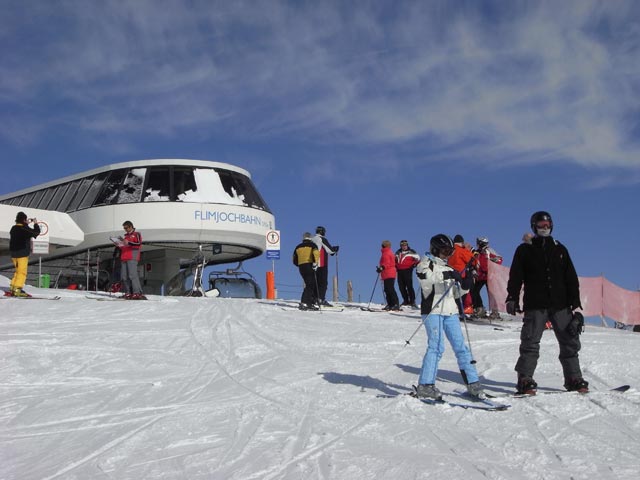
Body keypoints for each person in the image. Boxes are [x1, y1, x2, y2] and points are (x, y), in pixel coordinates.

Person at [506, 211, 588, 395]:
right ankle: (525, 378)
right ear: (534, 226)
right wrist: (512, 297)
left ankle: (573, 378)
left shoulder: (560, 249)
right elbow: (516, 276)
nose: (545, 228)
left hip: (561, 304)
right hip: (536, 303)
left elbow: (571, 277)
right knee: (530, 342)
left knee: (570, 341)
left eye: (547, 225)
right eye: (541, 225)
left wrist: (574, 302)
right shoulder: (525, 250)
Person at [414, 234, 484, 400]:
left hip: (450, 311)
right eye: (445, 251)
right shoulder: (425, 264)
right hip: (433, 311)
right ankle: (425, 385)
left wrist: (465, 287)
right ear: (435, 249)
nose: (447, 255)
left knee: (461, 347)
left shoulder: (449, 268)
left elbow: (453, 293)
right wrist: (448, 275)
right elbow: (426, 280)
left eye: (450, 252)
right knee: (436, 347)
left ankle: (473, 384)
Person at [8, 212, 40, 297]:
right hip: (21, 253)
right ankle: (18, 289)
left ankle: (12, 288)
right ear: (23, 220)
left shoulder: (13, 228)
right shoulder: (24, 228)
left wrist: (26, 224)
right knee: (22, 272)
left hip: (13, 253)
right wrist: (35, 224)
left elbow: (23, 230)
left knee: (17, 271)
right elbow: (36, 233)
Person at [471, 236, 503, 318]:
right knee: (474, 291)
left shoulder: (489, 251)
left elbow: (499, 259)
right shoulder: (476, 252)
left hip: (489, 276)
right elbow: (473, 262)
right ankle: (480, 308)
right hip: (480, 276)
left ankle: (495, 312)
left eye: (478, 243)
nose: (477, 244)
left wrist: (493, 261)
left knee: (492, 294)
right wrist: (473, 270)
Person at [117, 220, 146, 300]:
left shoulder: (136, 234)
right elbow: (124, 246)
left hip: (132, 257)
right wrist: (119, 244)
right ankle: (128, 292)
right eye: (124, 228)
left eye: (126, 228)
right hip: (124, 257)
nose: (125, 229)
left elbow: (138, 244)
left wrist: (128, 243)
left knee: (132, 275)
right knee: (124, 276)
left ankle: (137, 292)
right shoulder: (126, 236)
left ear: (131, 226)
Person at [448, 234, 475, 315]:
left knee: (451, 294)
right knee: (461, 294)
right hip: (461, 275)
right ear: (461, 242)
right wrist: (469, 250)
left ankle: (453, 311)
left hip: (450, 274)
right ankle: (460, 312)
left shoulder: (450, 250)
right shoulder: (461, 250)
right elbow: (472, 259)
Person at [312, 226, 339, 307]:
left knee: (315, 281)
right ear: (322, 232)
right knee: (323, 283)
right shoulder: (322, 239)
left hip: (313, 263)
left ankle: (314, 298)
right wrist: (335, 249)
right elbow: (329, 250)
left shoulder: (312, 239)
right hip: (321, 263)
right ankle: (321, 299)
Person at [293, 232, 320, 310]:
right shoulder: (313, 245)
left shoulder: (297, 247)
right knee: (310, 284)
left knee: (309, 283)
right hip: (309, 265)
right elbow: (316, 254)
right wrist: (315, 263)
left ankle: (310, 302)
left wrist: (299, 264)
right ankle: (304, 302)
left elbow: (294, 259)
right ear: (310, 238)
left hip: (301, 267)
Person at [395, 240, 420, 308]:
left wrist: (414, 265)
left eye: (405, 245)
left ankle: (412, 301)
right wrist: (395, 266)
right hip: (399, 270)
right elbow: (394, 260)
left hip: (408, 270)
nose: (404, 246)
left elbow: (418, 259)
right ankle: (405, 300)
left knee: (409, 285)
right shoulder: (398, 252)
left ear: (407, 245)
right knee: (401, 286)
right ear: (401, 246)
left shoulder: (412, 252)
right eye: (402, 245)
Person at [377, 240, 400, 311]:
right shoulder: (386, 252)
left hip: (389, 273)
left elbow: (387, 263)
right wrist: (381, 268)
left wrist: (382, 267)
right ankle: (390, 304)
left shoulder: (386, 253)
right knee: (387, 289)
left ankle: (395, 304)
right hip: (387, 273)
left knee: (390, 289)